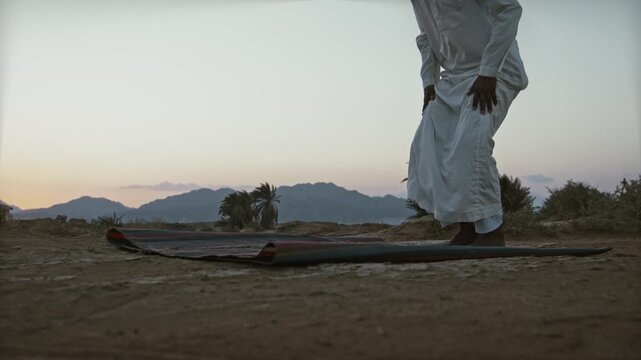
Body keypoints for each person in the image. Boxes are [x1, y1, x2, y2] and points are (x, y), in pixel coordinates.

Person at [407, 0, 528, 246]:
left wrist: (488, 71)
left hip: (495, 73)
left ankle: (493, 231)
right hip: (452, 79)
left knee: (470, 143)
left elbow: (511, 10)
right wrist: (428, 81)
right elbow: (426, 36)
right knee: (429, 144)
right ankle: (468, 228)